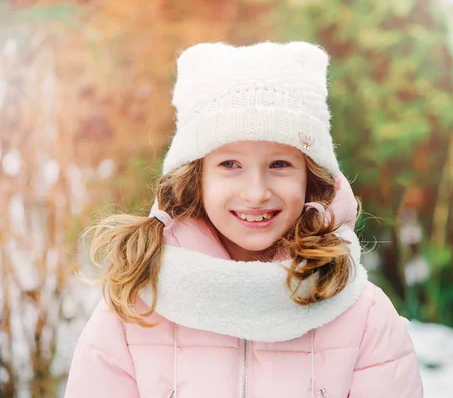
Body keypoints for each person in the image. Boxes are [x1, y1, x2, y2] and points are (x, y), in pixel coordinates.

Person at [64, 41, 423, 398]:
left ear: (309, 177)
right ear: (196, 177)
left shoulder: (364, 317)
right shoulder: (134, 309)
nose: (256, 192)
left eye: (279, 164)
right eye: (230, 165)